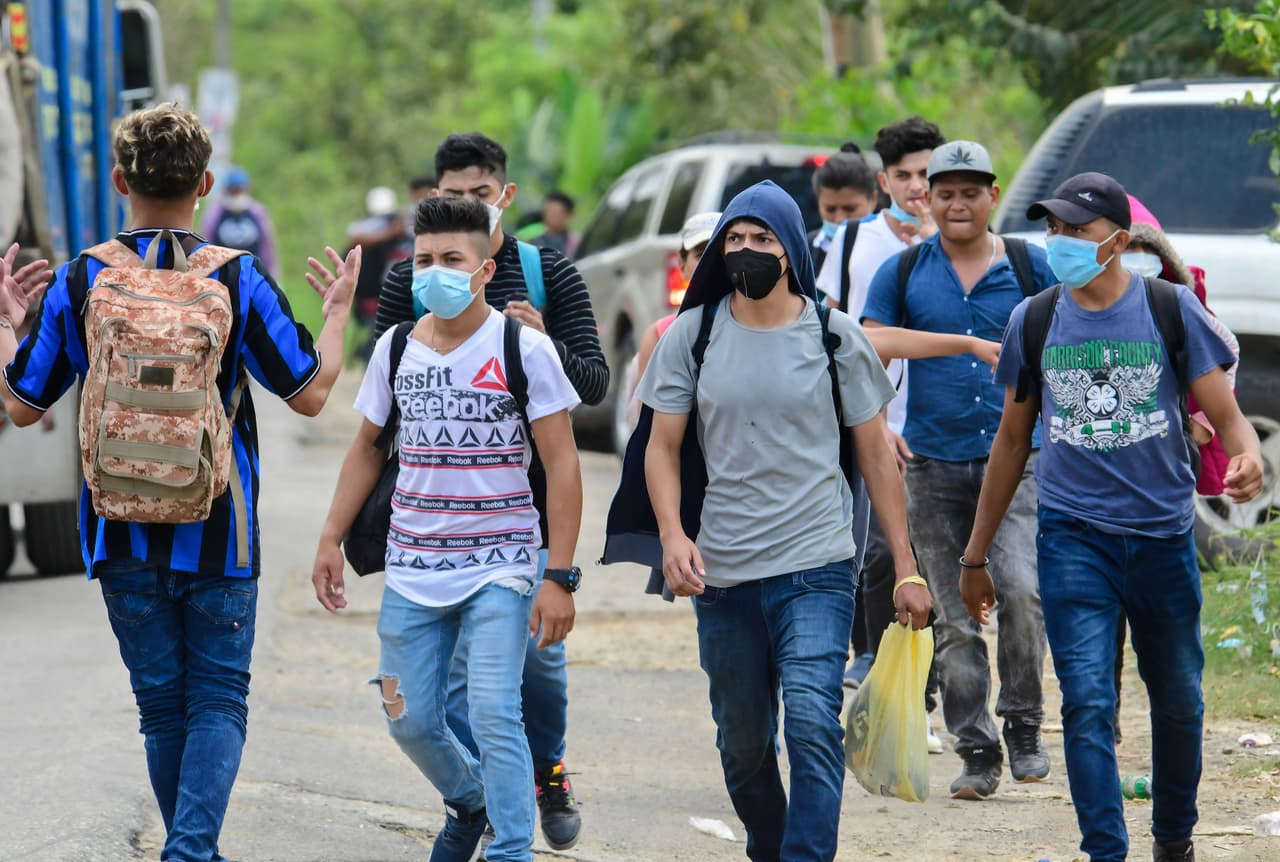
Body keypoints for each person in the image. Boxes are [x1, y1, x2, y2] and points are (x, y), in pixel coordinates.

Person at [0, 102, 356, 861]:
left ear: (121, 180)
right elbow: (312, 394)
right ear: (204, 184)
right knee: (218, 700)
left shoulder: (80, 278)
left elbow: (21, 405)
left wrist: (7, 322)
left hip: (118, 527)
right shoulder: (239, 278)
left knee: (162, 707)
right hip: (220, 526)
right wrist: (335, 316)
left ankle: (190, 851)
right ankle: (191, 853)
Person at [959, 172, 1262, 862]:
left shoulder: (1169, 309)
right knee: (1088, 702)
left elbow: (1229, 420)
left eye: (1077, 230)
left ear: (1118, 242)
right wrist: (975, 558)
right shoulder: (1033, 319)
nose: (1059, 242)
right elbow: (1011, 443)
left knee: (1180, 698)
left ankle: (1173, 838)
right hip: (1073, 539)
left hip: (1160, 538)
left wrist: (1249, 458)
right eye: (1053, 229)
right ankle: (1106, 851)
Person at [639, 180, 932, 861]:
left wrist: (906, 567)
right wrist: (672, 535)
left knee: (808, 720)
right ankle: (770, 847)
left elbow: (876, 458)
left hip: (815, 564)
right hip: (724, 572)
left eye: (762, 238)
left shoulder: (835, 337)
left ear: (792, 250)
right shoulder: (695, 332)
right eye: (734, 239)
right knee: (742, 745)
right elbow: (661, 446)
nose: (746, 250)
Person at [312, 195, 583, 862]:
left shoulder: (525, 348)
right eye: (425, 259)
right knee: (409, 719)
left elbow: (562, 463)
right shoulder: (396, 348)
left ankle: (509, 849)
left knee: (495, 711)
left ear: (486, 269)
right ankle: (472, 800)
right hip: (412, 567)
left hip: (503, 564)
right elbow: (367, 447)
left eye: (452, 259)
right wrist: (328, 538)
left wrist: (558, 577)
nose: (436, 271)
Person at [373, 132, 607, 850]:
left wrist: (542, 341)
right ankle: (478, 798)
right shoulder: (406, 294)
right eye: (450, 194)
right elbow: (388, 400)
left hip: (522, 521)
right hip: (432, 526)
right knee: (445, 699)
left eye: (478, 194)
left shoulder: (548, 275)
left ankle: (544, 775)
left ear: (503, 197)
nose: (463, 206)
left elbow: (593, 386)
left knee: (529, 675)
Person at [862, 140, 1058, 800]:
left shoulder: (1031, 268)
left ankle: (1025, 725)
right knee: (953, 617)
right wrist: (964, 347)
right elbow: (872, 341)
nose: (957, 204)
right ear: (926, 198)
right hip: (932, 464)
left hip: (1019, 463)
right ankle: (976, 749)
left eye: (971, 192)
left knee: (1023, 594)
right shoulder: (905, 271)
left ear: (992, 197)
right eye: (944, 192)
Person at [816, 117, 947, 699]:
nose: (917, 186)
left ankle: (932, 679)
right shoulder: (851, 241)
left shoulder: (967, 243)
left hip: (948, 424)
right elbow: (832, 332)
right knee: (877, 552)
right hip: (875, 422)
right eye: (904, 175)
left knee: (943, 555)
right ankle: (881, 664)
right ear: (883, 181)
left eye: (927, 173)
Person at [808, 144, 878, 276]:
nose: (839, 218)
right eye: (830, 209)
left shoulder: (888, 247)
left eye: (850, 209)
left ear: (873, 199)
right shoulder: (805, 249)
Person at [200, 165, 278, 276]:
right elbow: (206, 243)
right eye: (233, 190)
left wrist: (272, 275)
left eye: (239, 190)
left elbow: (267, 246)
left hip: (254, 275)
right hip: (223, 277)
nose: (237, 194)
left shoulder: (257, 212)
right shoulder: (215, 213)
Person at [534, 190, 579, 258]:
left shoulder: (575, 243)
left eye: (555, 213)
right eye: (547, 212)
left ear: (568, 215)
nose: (549, 216)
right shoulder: (533, 240)